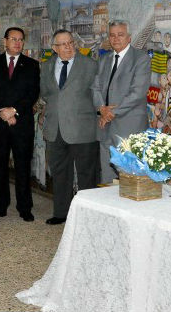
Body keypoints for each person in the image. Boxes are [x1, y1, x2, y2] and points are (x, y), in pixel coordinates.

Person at [40, 30, 99, 224]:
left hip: (83, 129)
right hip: (55, 129)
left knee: (86, 175)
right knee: (60, 173)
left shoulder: (90, 65)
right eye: (63, 44)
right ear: (54, 48)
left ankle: (87, 216)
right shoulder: (46, 67)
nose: (68, 47)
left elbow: (97, 94)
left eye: (70, 43)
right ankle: (61, 213)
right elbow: (46, 94)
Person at [0, 27, 40, 222]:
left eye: (21, 40)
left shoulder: (31, 65)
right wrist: (4, 112)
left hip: (21, 123)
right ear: (5, 41)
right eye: (13, 39)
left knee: (23, 167)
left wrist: (14, 111)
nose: (17, 42)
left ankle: (25, 207)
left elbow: (32, 94)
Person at [91, 20, 151, 184]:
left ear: (129, 37)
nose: (116, 39)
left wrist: (110, 113)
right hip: (105, 127)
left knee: (131, 178)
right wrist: (101, 109)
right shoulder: (104, 60)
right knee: (107, 178)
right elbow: (95, 88)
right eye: (112, 35)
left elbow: (137, 93)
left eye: (120, 35)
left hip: (129, 128)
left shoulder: (141, 59)